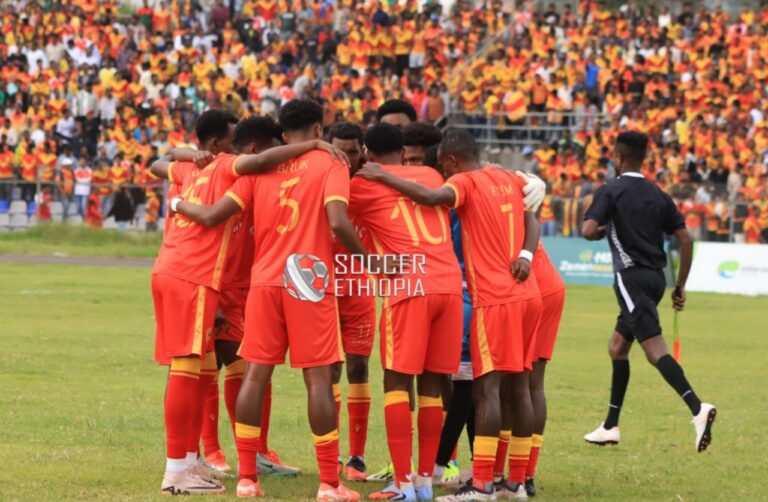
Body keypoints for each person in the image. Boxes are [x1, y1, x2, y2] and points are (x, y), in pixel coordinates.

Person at [171, 99, 369, 501]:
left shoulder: (259, 168)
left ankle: (247, 478)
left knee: (255, 375)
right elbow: (337, 220)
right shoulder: (329, 161)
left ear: (283, 132)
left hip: (264, 280)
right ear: (318, 131)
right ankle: (330, 483)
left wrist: (176, 201)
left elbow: (216, 213)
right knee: (318, 378)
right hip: (308, 279)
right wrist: (371, 262)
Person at [356, 131, 546, 501]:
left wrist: (382, 175)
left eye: (443, 165)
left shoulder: (463, 182)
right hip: (527, 292)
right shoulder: (508, 177)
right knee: (519, 388)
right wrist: (526, 254)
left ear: (452, 161)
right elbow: (532, 216)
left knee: (485, 390)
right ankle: (515, 483)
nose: (441, 172)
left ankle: (481, 484)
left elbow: (431, 197)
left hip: (493, 297)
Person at [581, 131, 716, 452]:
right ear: (643, 159)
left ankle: (698, 408)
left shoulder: (610, 190)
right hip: (657, 279)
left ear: (617, 157)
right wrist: (680, 285)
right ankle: (610, 426)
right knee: (617, 347)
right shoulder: (659, 194)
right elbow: (685, 240)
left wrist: (602, 229)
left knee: (654, 350)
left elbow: (587, 230)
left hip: (631, 278)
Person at [350, 123, 464, 501]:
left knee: (396, 383)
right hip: (449, 285)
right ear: (402, 151)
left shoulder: (363, 184)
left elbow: (332, 214)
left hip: (409, 285)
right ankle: (425, 483)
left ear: (367, 153)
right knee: (432, 386)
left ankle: (401, 483)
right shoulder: (430, 174)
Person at [328, 121, 376, 481]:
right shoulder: (320, 182)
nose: (346, 158)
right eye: (339, 151)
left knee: (359, 367)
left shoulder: (374, 184)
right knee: (329, 370)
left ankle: (357, 458)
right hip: (324, 290)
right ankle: (330, 456)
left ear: (363, 153)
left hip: (360, 291)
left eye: (352, 151)